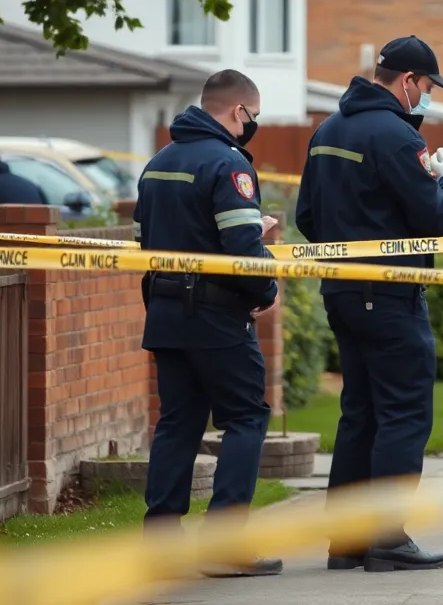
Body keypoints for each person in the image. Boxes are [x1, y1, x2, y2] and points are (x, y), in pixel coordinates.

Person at [295, 35, 443, 573]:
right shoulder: (395, 136)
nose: (426, 98)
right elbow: (434, 218)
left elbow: (307, 217)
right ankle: (388, 537)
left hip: (341, 293)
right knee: (403, 414)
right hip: (390, 296)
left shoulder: (327, 130)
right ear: (408, 81)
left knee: (359, 414)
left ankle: (345, 542)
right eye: (427, 87)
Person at [132, 69, 283, 577]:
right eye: (254, 117)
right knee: (246, 417)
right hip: (217, 315)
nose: (252, 126)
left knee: (178, 422)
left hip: (167, 313)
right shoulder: (229, 162)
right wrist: (266, 290)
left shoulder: (158, 163)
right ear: (239, 110)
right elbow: (241, 247)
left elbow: (147, 238)